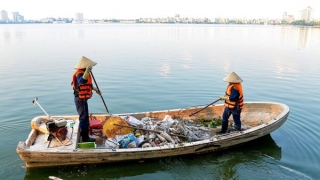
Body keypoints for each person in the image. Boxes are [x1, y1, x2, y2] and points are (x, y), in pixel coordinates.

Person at [72, 56, 101, 142]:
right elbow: (82, 81)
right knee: (84, 118)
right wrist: (87, 71)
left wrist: (96, 90)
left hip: (83, 99)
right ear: (85, 67)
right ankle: (85, 137)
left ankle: (84, 134)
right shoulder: (80, 74)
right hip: (80, 99)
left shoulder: (85, 73)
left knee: (85, 116)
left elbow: (88, 85)